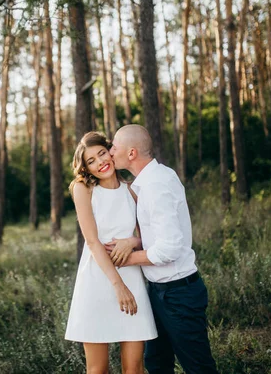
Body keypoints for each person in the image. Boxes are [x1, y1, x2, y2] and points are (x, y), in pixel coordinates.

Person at [107, 124, 219, 374]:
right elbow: (159, 235)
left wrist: (126, 259)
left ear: (132, 153)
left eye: (114, 146)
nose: (110, 151)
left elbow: (169, 248)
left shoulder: (156, 185)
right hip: (159, 293)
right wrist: (132, 241)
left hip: (179, 294)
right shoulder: (150, 181)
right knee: (157, 364)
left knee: (198, 367)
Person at [64, 131, 158, 374]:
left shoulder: (132, 189)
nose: (100, 163)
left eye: (102, 154)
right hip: (98, 282)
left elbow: (150, 236)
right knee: (97, 370)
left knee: (134, 369)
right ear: (86, 168)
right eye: (91, 161)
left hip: (132, 280)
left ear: (111, 151)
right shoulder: (83, 189)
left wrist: (132, 241)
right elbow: (93, 242)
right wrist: (118, 286)